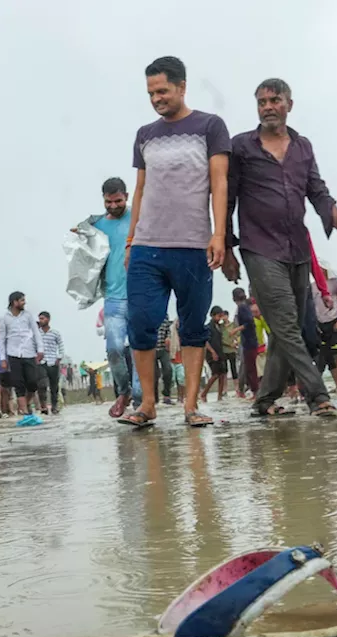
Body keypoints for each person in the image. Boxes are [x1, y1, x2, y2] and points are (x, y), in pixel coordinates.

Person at [226, 78, 337, 417]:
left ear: (289, 104)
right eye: (262, 102)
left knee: (289, 330)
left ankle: (263, 400)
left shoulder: (303, 147)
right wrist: (225, 246)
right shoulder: (242, 146)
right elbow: (225, 198)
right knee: (287, 324)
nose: (268, 107)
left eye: (275, 100)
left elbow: (318, 192)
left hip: (298, 248)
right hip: (259, 248)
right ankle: (317, 395)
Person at [120, 56, 230, 428]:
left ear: (182, 87)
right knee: (141, 321)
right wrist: (131, 240)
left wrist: (218, 234)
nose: (156, 99)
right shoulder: (145, 134)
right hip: (148, 246)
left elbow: (219, 182)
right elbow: (139, 189)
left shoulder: (210, 126)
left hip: (193, 245)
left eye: (162, 91)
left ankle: (191, 405)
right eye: (151, 93)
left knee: (193, 325)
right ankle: (147, 404)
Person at [86, 177, 143, 418]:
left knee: (140, 348)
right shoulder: (97, 225)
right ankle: (123, 391)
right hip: (113, 297)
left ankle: (141, 403)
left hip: (141, 293)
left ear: (127, 197)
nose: (113, 206)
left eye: (118, 201)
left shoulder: (139, 217)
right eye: (108, 202)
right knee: (114, 348)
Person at [0, 291, 43, 414]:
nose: (24, 303)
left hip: (29, 352)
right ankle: (23, 410)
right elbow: (1, 338)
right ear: (15, 302)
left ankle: (27, 402)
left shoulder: (28, 316)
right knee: (18, 383)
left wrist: (40, 350)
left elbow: (36, 332)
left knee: (33, 382)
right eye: (22, 300)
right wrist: (3, 359)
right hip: (13, 353)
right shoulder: (4, 318)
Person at [311, 270, 337, 391]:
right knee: (327, 356)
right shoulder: (313, 286)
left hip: (335, 320)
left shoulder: (335, 282)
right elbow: (312, 305)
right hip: (320, 323)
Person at [37, 311, 66, 415]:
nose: (41, 321)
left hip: (53, 362)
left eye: (42, 318)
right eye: (39, 319)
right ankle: (43, 406)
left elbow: (61, 345)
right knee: (42, 385)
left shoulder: (55, 333)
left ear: (48, 319)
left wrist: (59, 357)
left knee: (54, 387)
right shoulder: (37, 333)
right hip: (41, 362)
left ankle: (54, 406)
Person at [232, 289, 260, 396]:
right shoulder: (246, 306)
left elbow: (249, 323)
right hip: (250, 340)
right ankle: (253, 391)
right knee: (250, 367)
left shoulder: (242, 307)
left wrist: (236, 329)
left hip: (249, 341)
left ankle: (255, 392)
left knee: (250, 368)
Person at [201, 307, 230, 401]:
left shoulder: (219, 327)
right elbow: (206, 341)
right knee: (215, 374)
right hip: (211, 353)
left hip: (220, 352)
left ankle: (220, 395)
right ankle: (204, 393)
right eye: (218, 316)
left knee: (222, 373)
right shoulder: (208, 327)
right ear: (212, 315)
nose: (220, 318)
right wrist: (212, 352)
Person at [154, 317, 177, 405]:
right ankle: (154, 397)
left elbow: (168, 330)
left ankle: (167, 395)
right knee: (154, 374)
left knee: (168, 370)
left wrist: (168, 337)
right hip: (152, 349)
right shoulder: (148, 313)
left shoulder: (164, 315)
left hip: (164, 348)